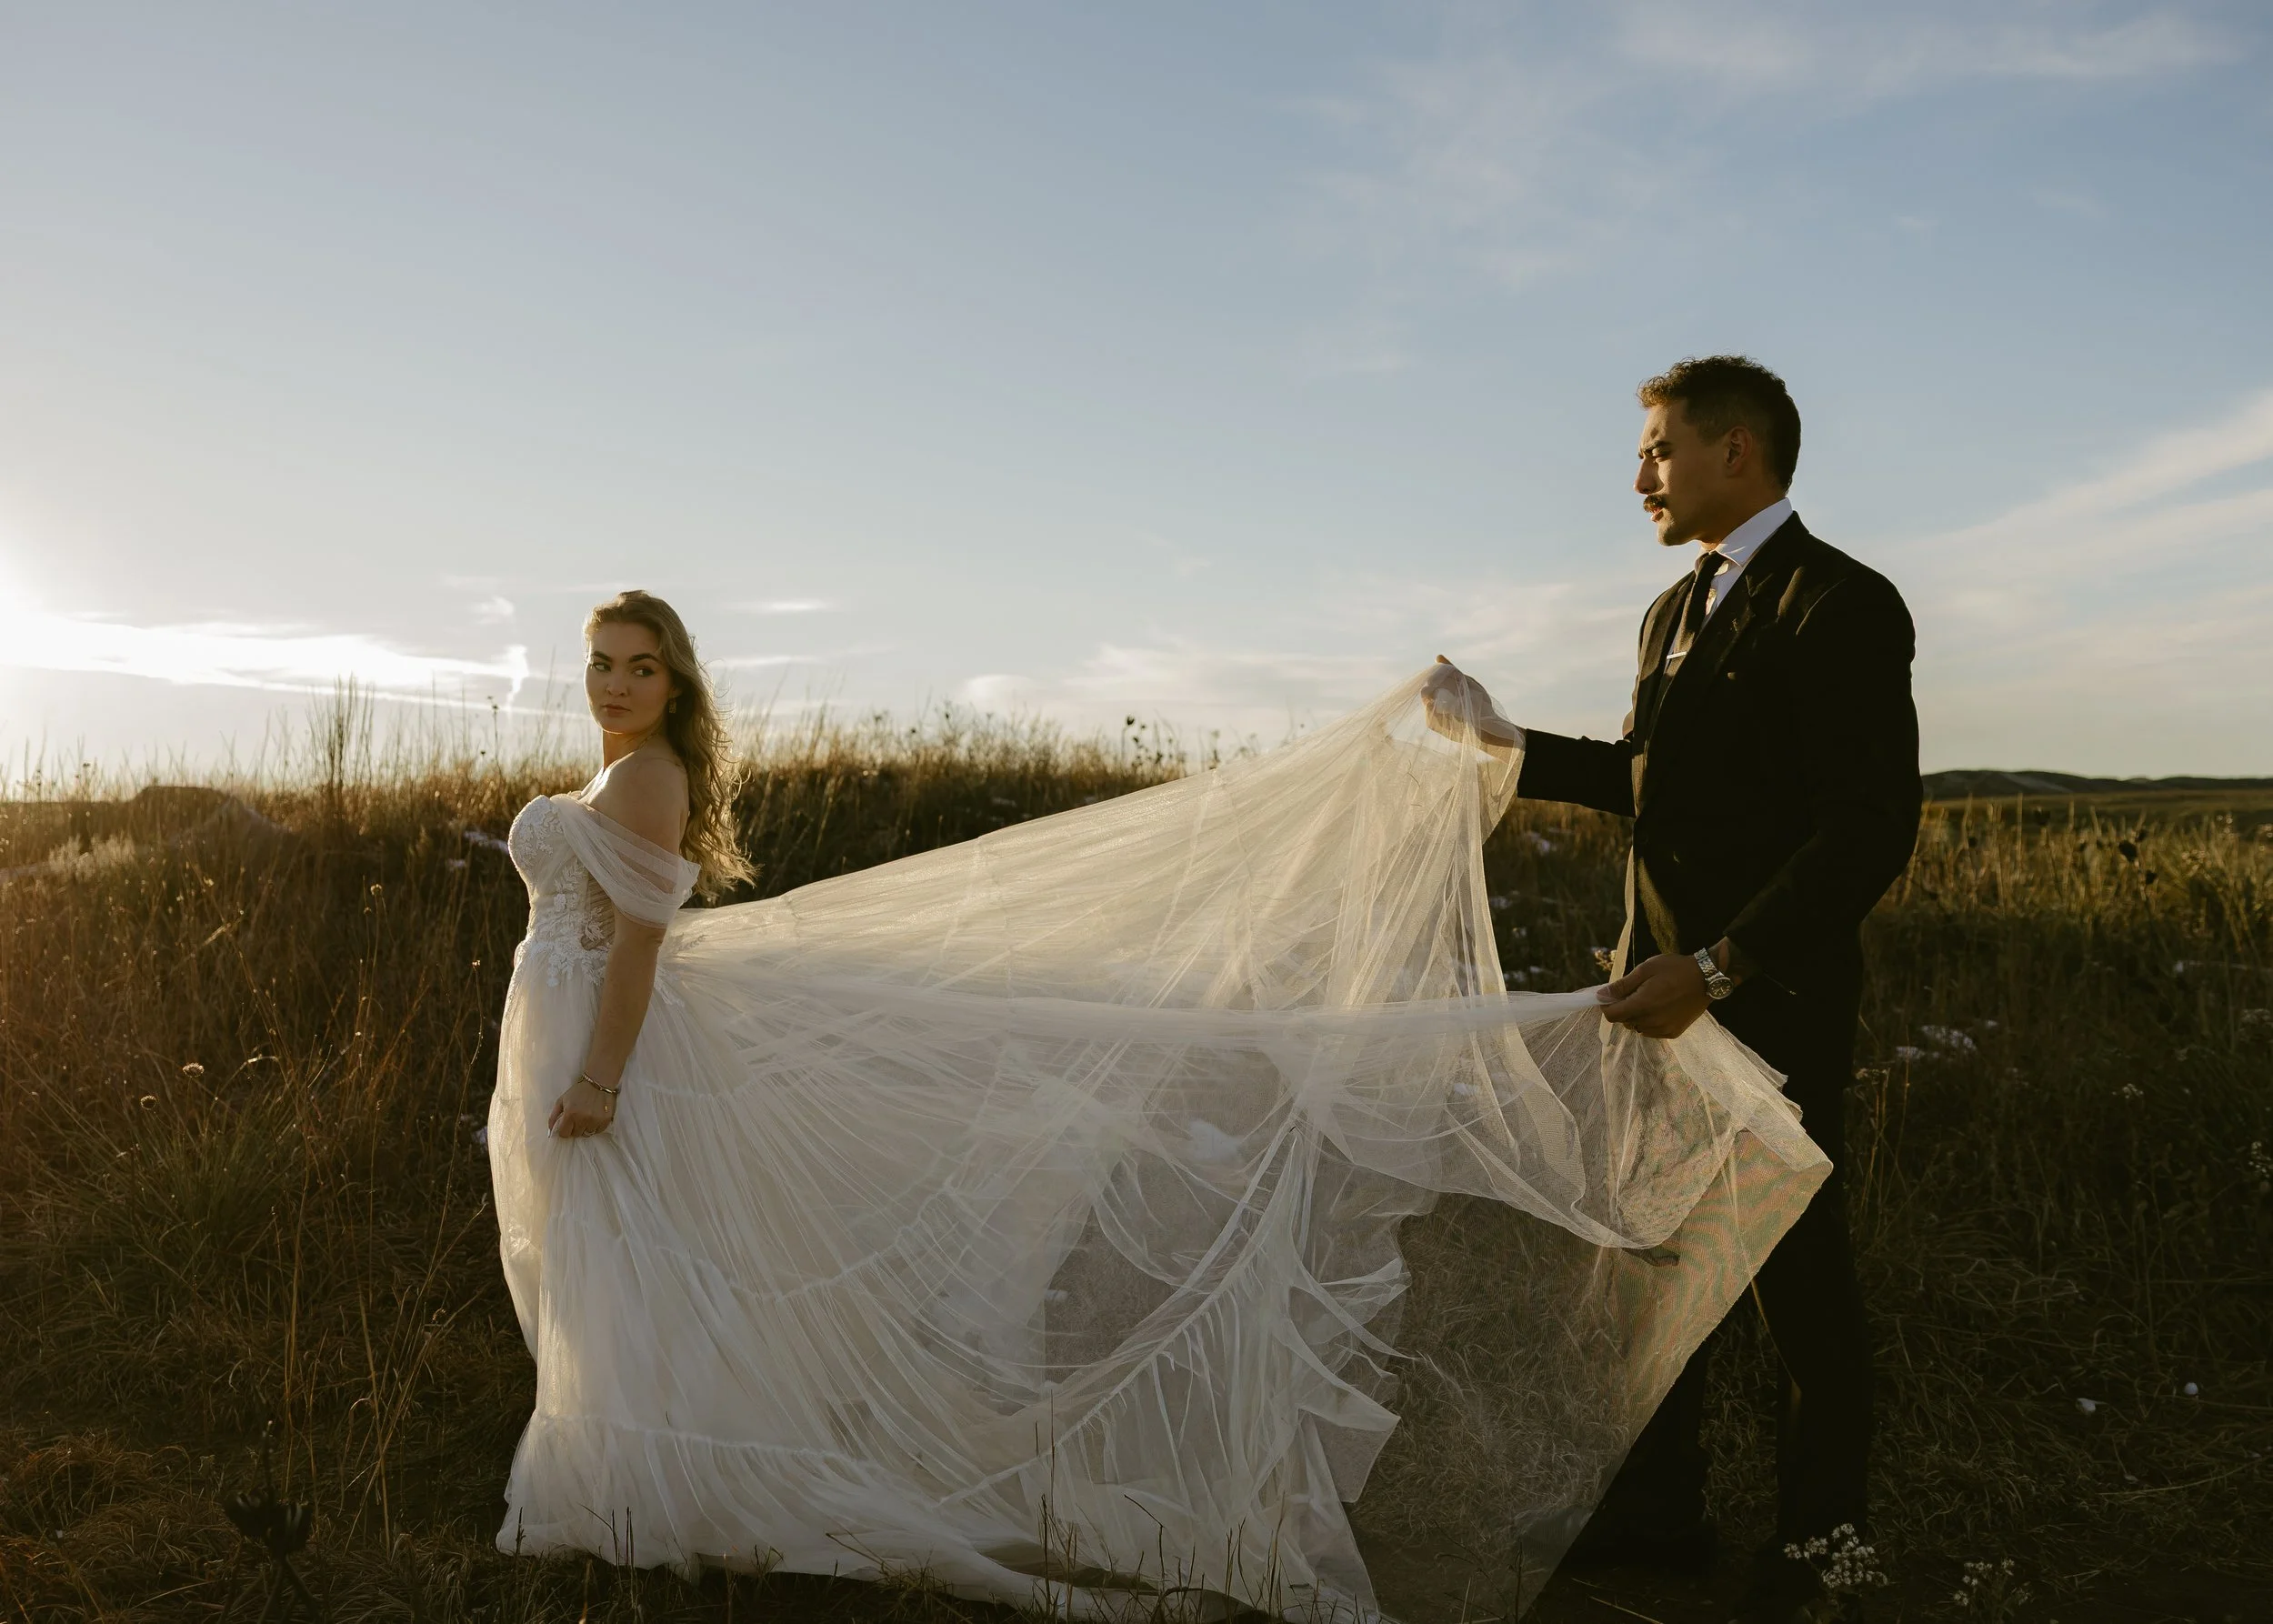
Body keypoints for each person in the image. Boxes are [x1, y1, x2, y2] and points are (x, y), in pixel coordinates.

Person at [488, 587, 1837, 1619]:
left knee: (625, 1245)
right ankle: (629, 1467)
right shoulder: (621, 769)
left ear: (676, 680)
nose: (614, 683)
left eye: (639, 664)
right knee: (625, 1251)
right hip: (572, 1022)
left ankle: (642, 1475)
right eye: (601, 662)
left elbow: (643, 945)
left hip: (600, 1033)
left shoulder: (647, 776)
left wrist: (602, 1072)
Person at [1430, 356, 1922, 1622]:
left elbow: (1867, 826)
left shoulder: (1841, 601)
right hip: (1652, 994)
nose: (1639, 473)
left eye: (1657, 447)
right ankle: (1660, 1516)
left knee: (1796, 1280)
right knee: (1654, 1254)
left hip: (1760, 998)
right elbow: (1647, 776)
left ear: (1735, 451)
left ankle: (1822, 1549)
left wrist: (1718, 966)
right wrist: (1503, 738)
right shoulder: (1671, 609)